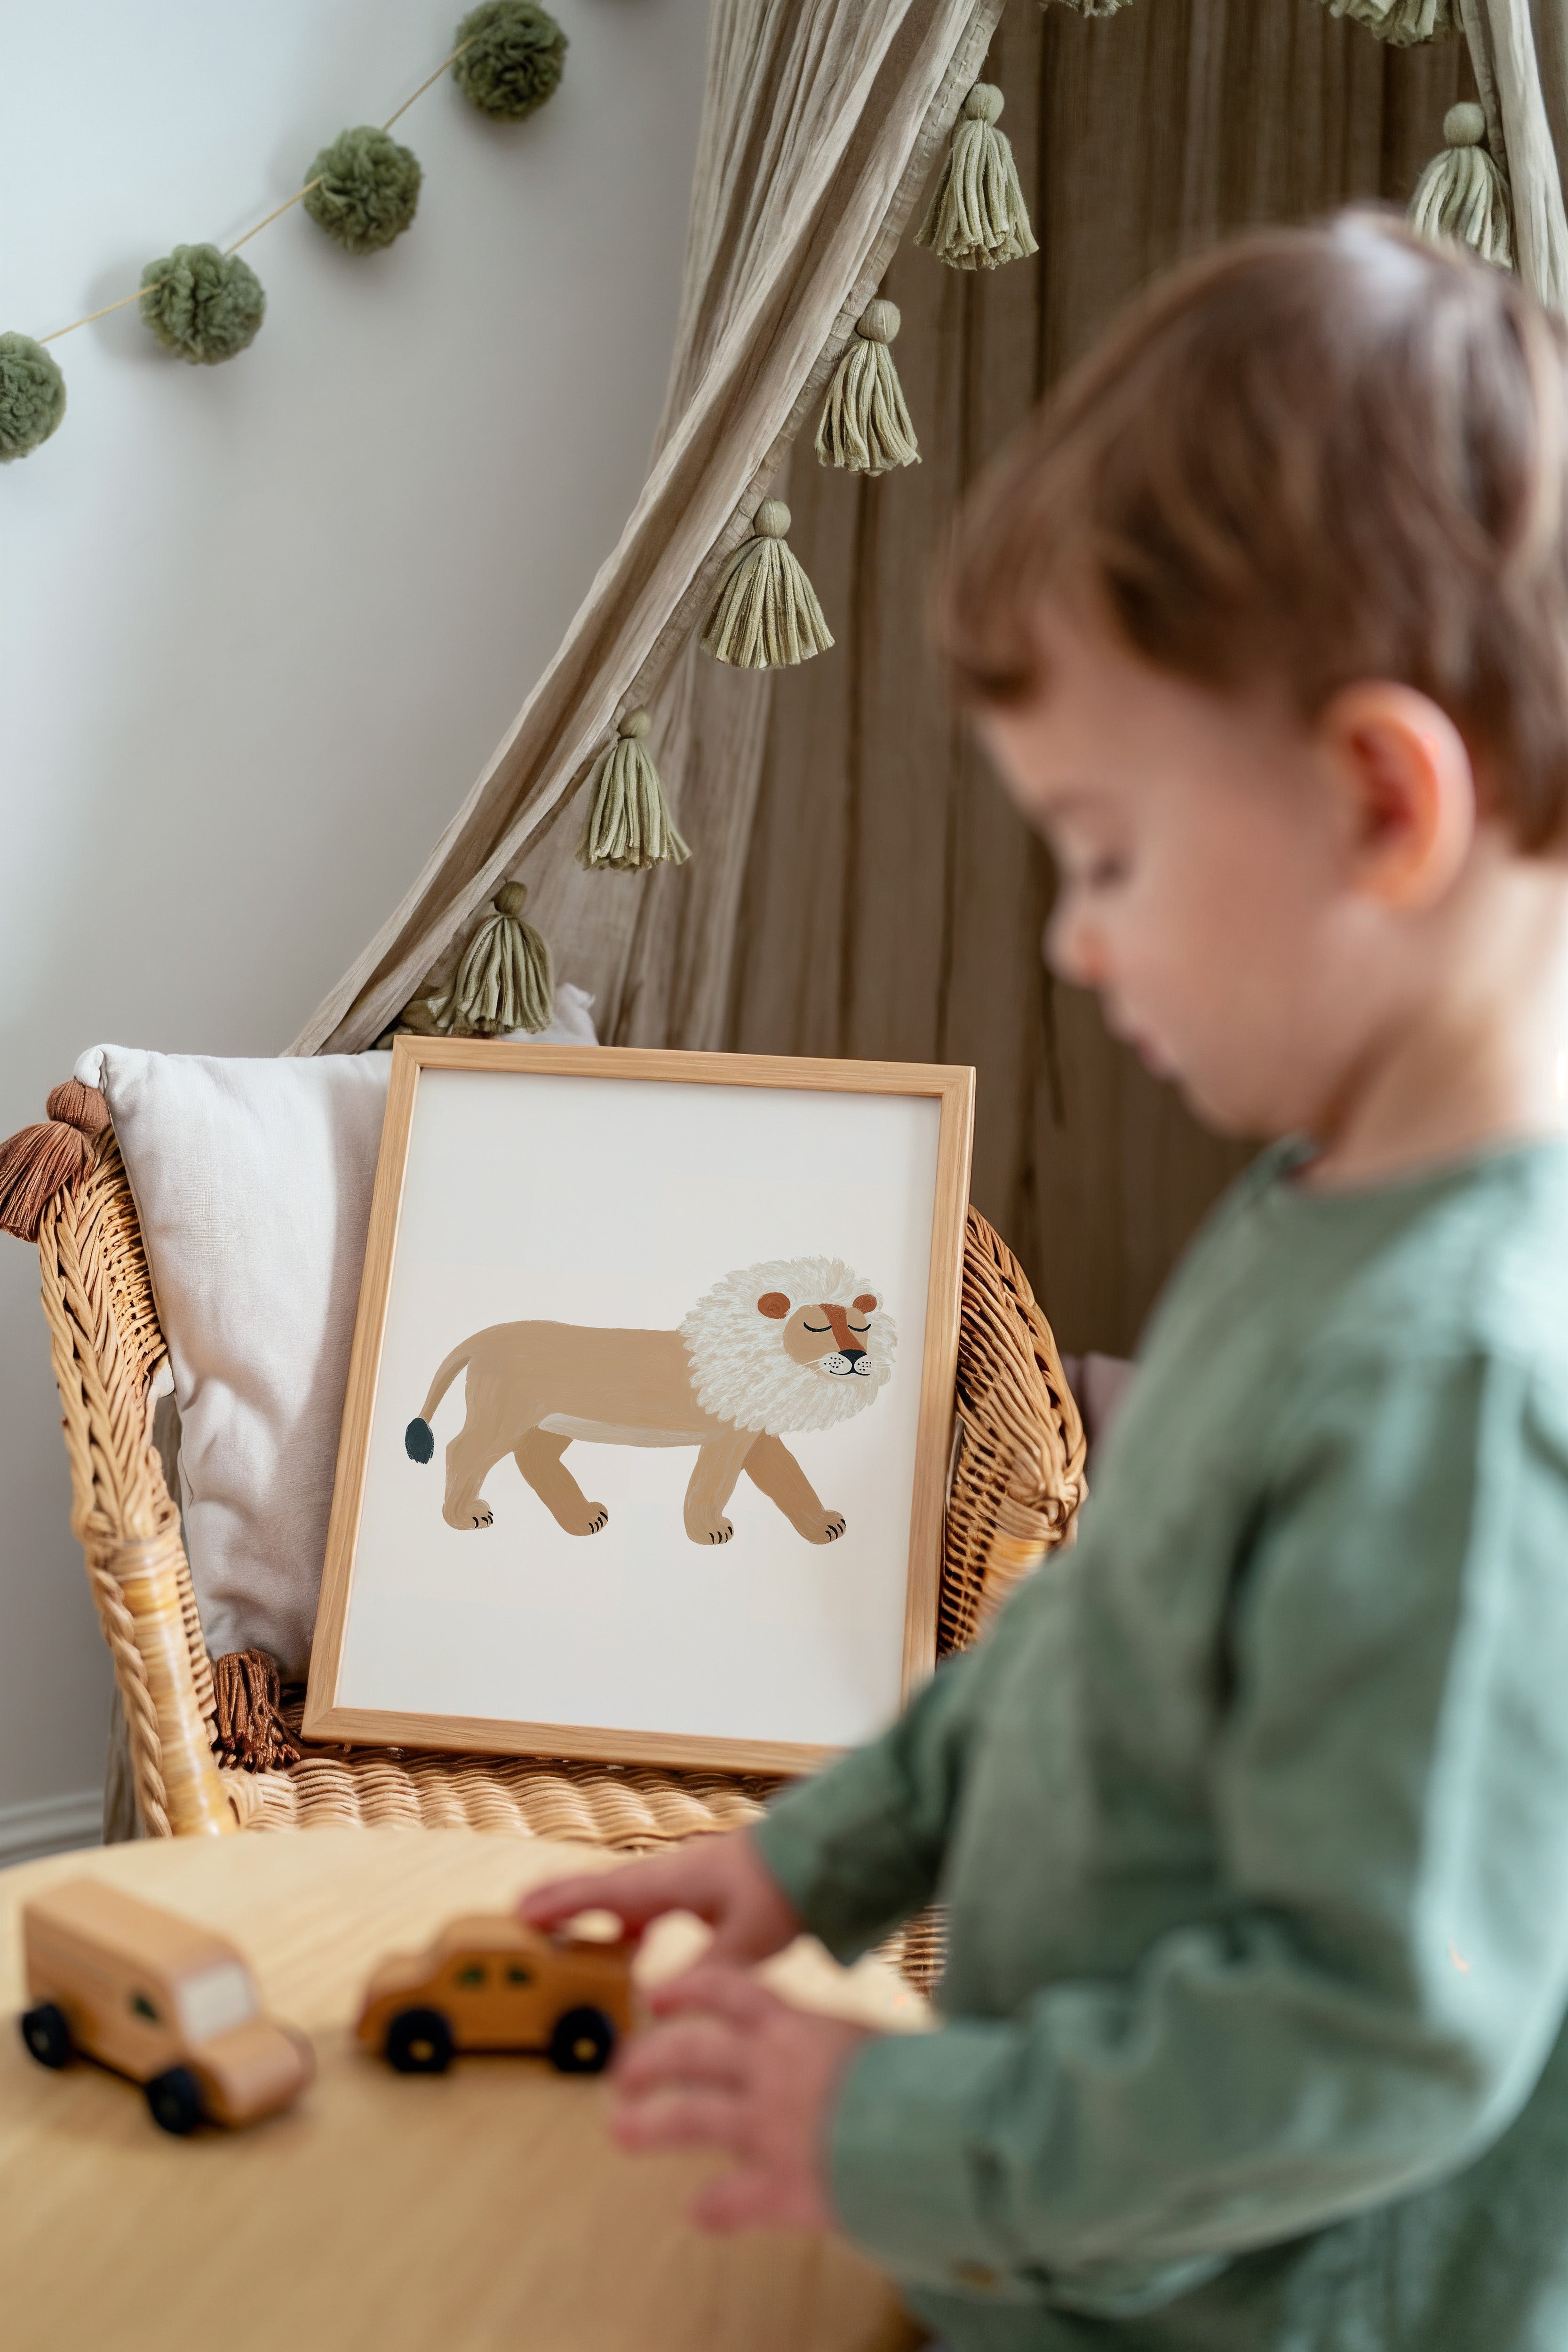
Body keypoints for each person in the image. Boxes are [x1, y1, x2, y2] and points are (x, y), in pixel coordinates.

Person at [522, 214, 1568, 2349]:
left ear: (1381, 800)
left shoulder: (1462, 1372)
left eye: (1103, 850)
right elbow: (1098, 1631)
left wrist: (907, 2129)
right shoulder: (1316, 1202)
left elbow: (1379, 2034)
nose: (1077, 942)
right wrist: (821, 1856)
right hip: (1057, 2259)